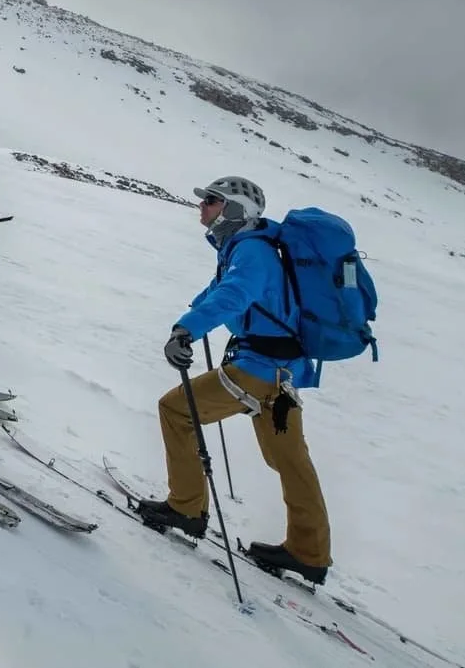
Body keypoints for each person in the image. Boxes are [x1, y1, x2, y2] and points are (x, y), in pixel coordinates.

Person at [135, 175, 332, 584]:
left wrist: (186, 330)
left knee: (175, 410)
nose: (202, 206)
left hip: (257, 371)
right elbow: (221, 290)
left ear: (236, 210)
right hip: (283, 375)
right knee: (290, 459)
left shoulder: (252, 252)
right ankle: (309, 552)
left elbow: (234, 295)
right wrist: (198, 308)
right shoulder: (247, 248)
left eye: (211, 200)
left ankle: (187, 509)